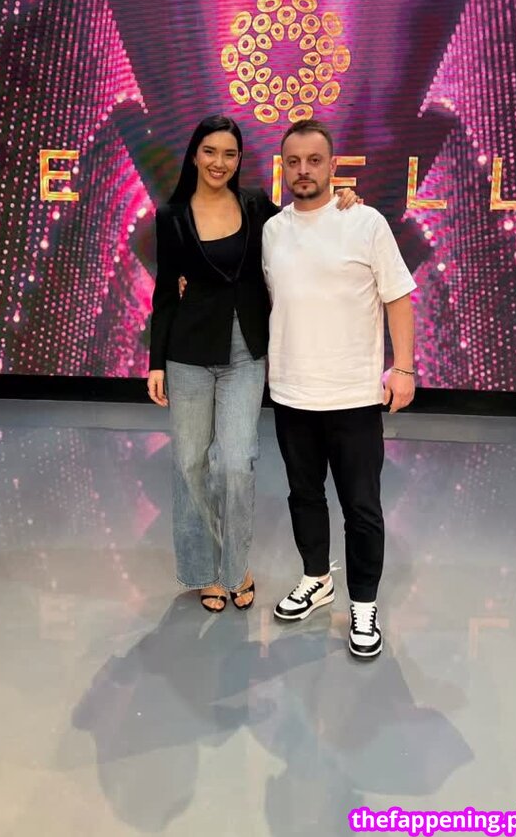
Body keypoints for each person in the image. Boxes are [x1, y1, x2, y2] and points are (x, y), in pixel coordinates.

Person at [146, 115, 357, 613]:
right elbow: (165, 294)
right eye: (210, 151)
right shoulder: (171, 216)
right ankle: (205, 570)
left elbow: (306, 224)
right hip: (188, 354)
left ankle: (235, 567)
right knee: (190, 463)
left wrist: (344, 201)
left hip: (246, 353)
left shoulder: (256, 205)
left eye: (229, 154)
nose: (219, 162)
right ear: (195, 154)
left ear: (239, 160)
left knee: (237, 463)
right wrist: (156, 363)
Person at [261, 119, 416, 659]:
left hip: (353, 397)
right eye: (293, 161)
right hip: (291, 394)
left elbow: (398, 297)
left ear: (332, 166)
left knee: (361, 507)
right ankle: (316, 579)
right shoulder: (272, 231)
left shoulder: (365, 222)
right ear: (284, 168)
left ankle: (364, 605)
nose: (303, 170)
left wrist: (404, 369)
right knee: (303, 496)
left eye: (314, 160)